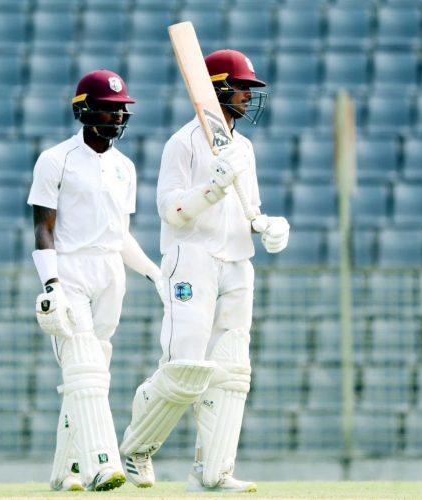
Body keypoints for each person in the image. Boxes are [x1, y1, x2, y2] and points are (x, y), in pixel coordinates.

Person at [119, 49, 290, 492]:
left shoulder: (244, 148)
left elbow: (248, 208)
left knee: (231, 371)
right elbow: (171, 211)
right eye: (242, 88)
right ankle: (136, 450)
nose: (249, 97)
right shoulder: (183, 143)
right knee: (186, 368)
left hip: (237, 262)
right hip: (191, 259)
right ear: (215, 90)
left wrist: (267, 226)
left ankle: (214, 473)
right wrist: (211, 187)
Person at [27, 69, 163, 492]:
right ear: (84, 111)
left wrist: (154, 272)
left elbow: (119, 234)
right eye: (108, 109)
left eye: (122, 110)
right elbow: (43, 228)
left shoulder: (125, 167)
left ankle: (64, 470)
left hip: (110, 273)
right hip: (71, 268)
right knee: (85, 367)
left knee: (91, 371)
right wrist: (51, 284)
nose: (118, 117)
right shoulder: (56, 159)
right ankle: (101, 465)